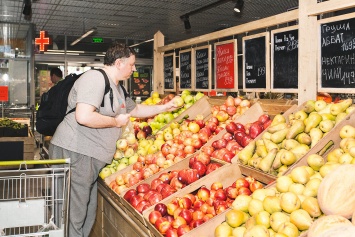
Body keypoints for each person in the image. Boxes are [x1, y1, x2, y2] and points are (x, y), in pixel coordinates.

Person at [49, 42, 180, 236]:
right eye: (132, 64)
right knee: (73, 214)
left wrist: (164, 107)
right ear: (119, 63)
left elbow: (135, 110)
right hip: (77, 152)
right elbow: (83, 116)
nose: (134, 69)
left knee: (87, 212)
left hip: (91, 157)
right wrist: (115, 122)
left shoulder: (117, 88)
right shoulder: (95, 79)